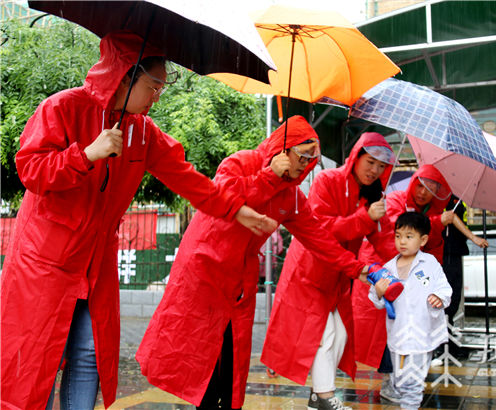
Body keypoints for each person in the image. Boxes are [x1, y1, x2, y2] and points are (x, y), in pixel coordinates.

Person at [0, 31, 274, 410]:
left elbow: (188, 179)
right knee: (35, 363)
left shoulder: (143, 133)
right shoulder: (62, 108)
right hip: (43, 265)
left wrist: (238, 210)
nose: (158, 95)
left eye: (162, 86)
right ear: (125, 76)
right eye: (153, 85)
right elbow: (31, 170)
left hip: (95, 266)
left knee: (88, 357)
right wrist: (86, 154)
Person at [136, 116, 372, 410]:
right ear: (284, 148)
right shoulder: (243, 162)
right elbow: (220, 198)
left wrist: (357, 268)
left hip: (240, 280)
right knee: (203, 355)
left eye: (313, 158)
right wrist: (269, 176)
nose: (307, 163)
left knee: (233, 360)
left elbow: (319, 239)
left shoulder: (293, 198)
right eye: (303, 154)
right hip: (204, 269)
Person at [261, 132, 398, 410]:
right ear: (356, 157)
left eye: (381, 167)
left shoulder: (372, 197)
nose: (375, 170)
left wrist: (409, 262)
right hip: (310, 270)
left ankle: (317, 396)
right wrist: (364, 218)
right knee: (323, 334)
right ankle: (324, 398)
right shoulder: (327, 180)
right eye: (370, 162)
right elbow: (319, 230)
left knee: (341, 333)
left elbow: (382, 240)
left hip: (340, 275)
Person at [352, 165, 488, 382]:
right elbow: (394, 234)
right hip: (382, 270)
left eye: (431, 188)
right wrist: (435, 223)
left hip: (409, 280)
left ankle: (396, 377)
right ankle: (389, 377)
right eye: (421, 186)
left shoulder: (435, 212)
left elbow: (433, 249)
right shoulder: (396, 200)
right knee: (380, 326)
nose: (423, 192)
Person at [369, 212, 452, 408]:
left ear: (423, 240)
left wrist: (438, 297)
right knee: (399, 381)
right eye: (398, 236)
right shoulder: (388, 268)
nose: (402, 242)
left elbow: (444, 288)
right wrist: (379, 292)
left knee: (412, 384)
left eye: (409, 236)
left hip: (422, 334)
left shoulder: (429, 263)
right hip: (398, 336)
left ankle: (410, 406)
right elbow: (376, 300)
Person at [438, 195, 488, 360]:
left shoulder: (460, 196)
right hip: (447, 252)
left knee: (453, 302)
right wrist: (474, 238)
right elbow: (451, 217)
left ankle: (449, 343)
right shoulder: (445, 195)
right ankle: (443, 346)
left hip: (456, 251)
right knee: (446, 302)